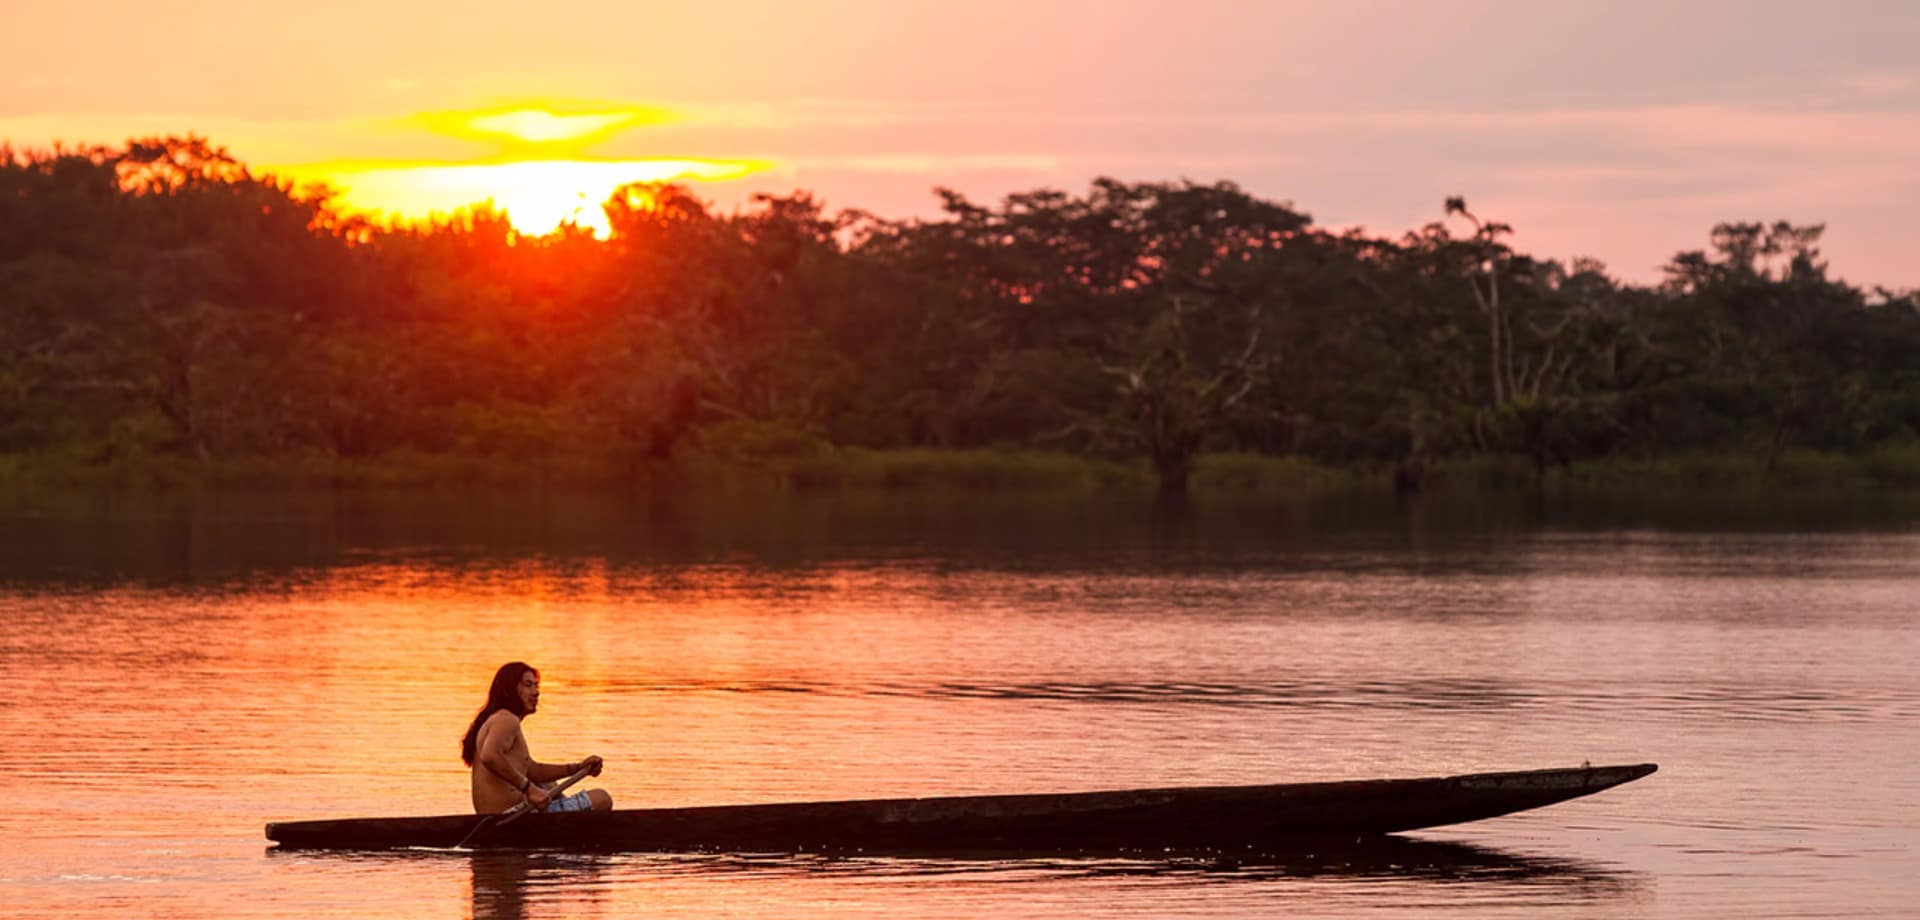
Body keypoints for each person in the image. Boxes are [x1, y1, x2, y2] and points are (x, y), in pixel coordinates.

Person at [460, 662, 613, 814]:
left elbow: (534, 771)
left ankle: (568, 819)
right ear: (509, 690)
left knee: (547, 784)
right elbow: (490, 756)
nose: (536, 692)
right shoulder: (506, 719)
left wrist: (578, 767)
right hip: (511, 818)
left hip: (506, 816)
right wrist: (529, 789)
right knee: (601, 798)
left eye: (536, 685)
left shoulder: (499, 719)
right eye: (528, 685)